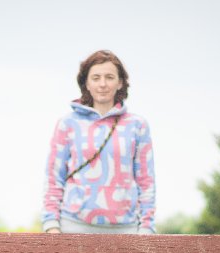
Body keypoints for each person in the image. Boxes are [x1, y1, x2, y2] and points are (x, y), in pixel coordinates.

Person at [42, 50, 156, 234]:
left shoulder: (137, 125)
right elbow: (54, 177)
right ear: (86, 83)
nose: (102, 84)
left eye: (109, 77)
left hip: (125, 229)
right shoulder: (68, 124)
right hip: (73, 226)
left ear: (120, 83)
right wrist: (51, 224)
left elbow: (146, 181)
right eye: (96, 78)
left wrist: (147, 227)